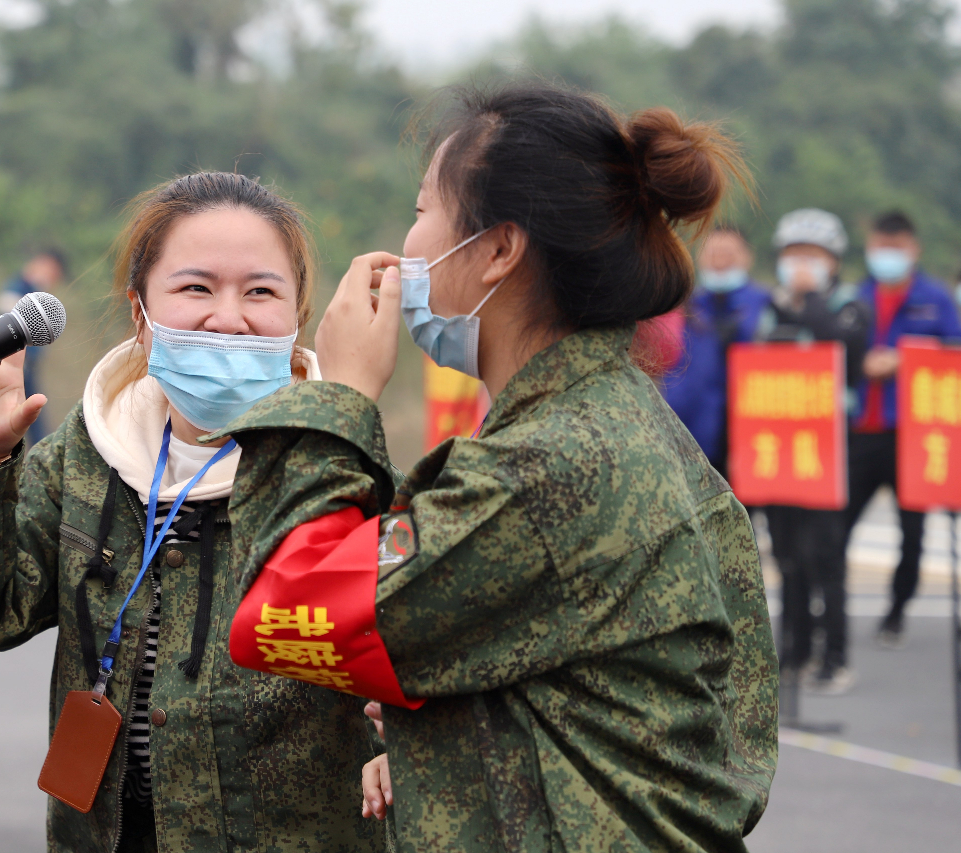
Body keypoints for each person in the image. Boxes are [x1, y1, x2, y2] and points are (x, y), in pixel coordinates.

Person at [213, 84, 777, 850]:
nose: (405, 247)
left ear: (498, 250)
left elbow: (283, 614)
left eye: (421, 213)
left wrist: (340, 395)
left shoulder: (548, 466)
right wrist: (439, 728)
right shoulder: (625, 423)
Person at [0, 173, 387, 853]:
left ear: (298, 313)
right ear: (141, 315)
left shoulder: (338, 462)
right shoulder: (90, 451)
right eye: (195, 288)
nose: (228, 317)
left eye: (261, 291)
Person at [757, 209, 870, 695]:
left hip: (828, 450)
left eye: (812, 256)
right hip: (780, 450)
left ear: (833, 261)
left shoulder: (848, 307)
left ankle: (836, 656)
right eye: (792, 255)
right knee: (787, 557)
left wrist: (812, 300)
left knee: (826, 555)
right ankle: (795, 651)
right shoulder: (771, 309)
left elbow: (845, 352)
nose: (800, 265)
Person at [845, 210, 961, 648]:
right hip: (863, 428)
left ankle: (896, 609)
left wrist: (904, 359)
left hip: (914, 433)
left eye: (896, 248)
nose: (888, 256)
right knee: (838, 524)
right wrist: (863, 364)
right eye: (881, 247)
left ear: (914, 250)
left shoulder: (936, 298)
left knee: (912, 531)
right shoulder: (854, 297)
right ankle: (829, 604)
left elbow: (954, 350)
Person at [663, 226, 772, 474]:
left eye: (729, 254)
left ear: (747, 257)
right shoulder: (682, 306)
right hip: (694, 431)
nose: (720, 262)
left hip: (754, 429)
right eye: (712, 254)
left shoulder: (767, 304)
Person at [0, 248, 68, 445]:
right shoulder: (17, 289)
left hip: (28, 366)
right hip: (16, 364)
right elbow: (7, 322)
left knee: (34, 415)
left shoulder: (35, 292)